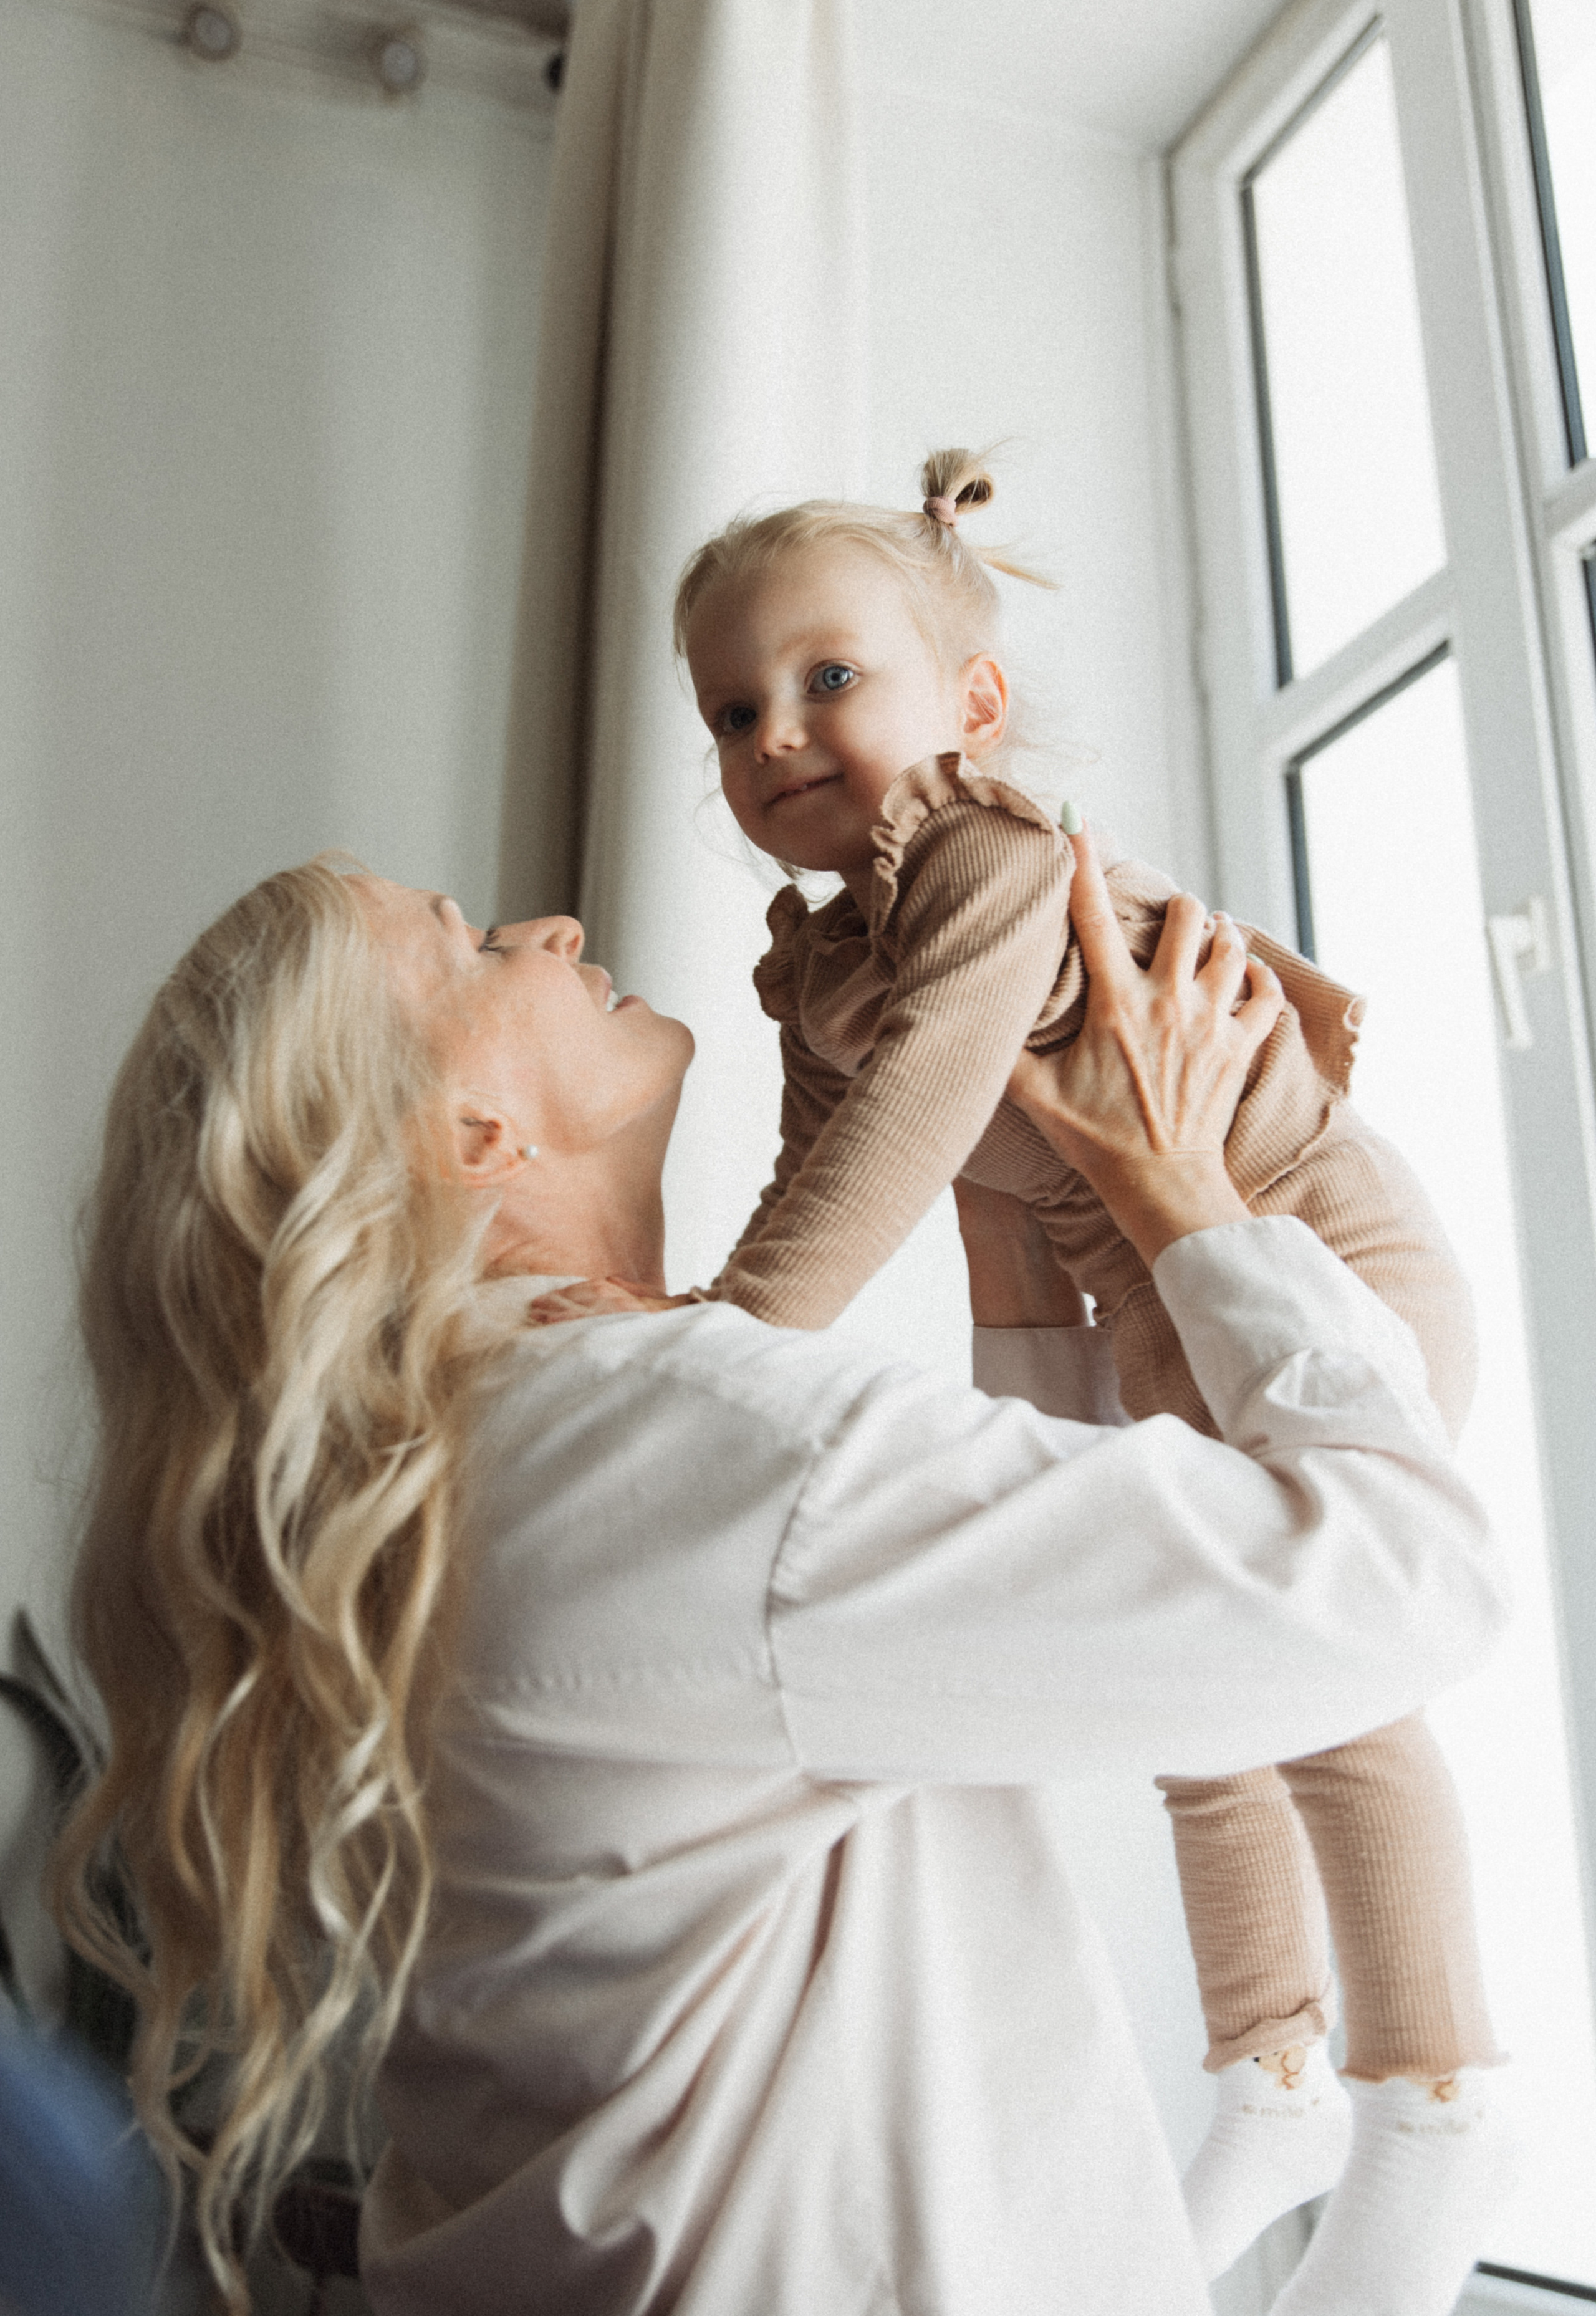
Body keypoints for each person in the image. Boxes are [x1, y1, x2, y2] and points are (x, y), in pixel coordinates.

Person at [55, 832, 1507, 2316]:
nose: (549, 926)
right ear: (475, 1129)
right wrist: (1184, 1192)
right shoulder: (677, 1448)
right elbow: (1406, 1581)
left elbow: (1001, 1593)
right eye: (477, 946)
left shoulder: (455, 1470)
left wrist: (1013, 1239)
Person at [668, 448, 1516, 2302]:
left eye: (827, 680)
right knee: (1180, 1708)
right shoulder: (824, 967)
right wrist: (1019, 1411)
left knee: (1322, 1687)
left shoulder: (983, 860)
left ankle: (1431, 2107)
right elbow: (889, 1187)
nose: (778, 737)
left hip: (1302, 1253)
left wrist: (707, 1358)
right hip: (1148, 1303)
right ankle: (1269, 2077)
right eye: (733, 711)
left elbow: (906, 1130)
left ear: (971, 705)